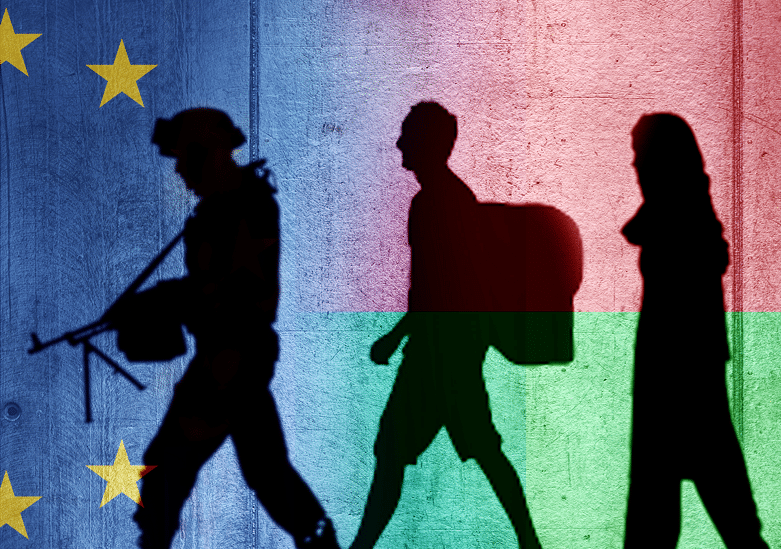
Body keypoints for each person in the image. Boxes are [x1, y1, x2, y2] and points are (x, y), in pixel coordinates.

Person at [121, 108, 340, 549]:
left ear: (207, 154)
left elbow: (241, 293)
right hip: (224, 357)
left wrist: (170, 299)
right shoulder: (213, 212)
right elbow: (208, 288)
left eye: (186, 158)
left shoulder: (249, 207)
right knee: (260, 470)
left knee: (172, 465)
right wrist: (160, 300)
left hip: (234, 359)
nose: (180, 169)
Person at [349, 102, 543, 549]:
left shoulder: (436, 203)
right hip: (451, 348)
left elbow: (436, 288)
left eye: (407, 135)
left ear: (428, 143)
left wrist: (395, 338)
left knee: (395, 453)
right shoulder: (451, 198)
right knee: (476, 450)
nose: (399, 143)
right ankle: (530, 543)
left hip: (438, 352)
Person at [622, 113, 769, 549]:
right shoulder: (689, 216)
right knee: (702, 488)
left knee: (675, 490)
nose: (635, 167)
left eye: (640, 156)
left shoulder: (680, 221)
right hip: (681, 366)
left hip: (675, 370)